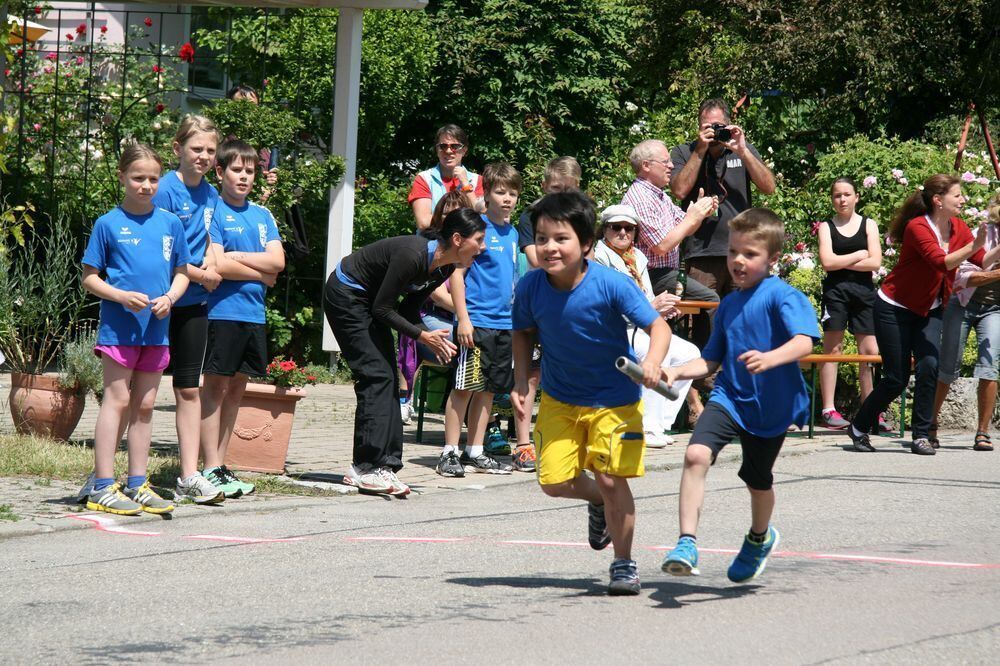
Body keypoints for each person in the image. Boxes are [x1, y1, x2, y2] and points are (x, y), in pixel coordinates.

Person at [511, 190, 671, 595]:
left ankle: (623, 563)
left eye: (560, 238)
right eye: (542, 238)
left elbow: (658, 327)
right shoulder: (530, 287)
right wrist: (520, 380)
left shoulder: (612, 284)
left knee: (613, 480)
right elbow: (523, 333)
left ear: (585, 244)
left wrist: (653, 363)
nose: (549, 247)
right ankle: (598, 500)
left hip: (615, 402)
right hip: (560, 399)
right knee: (553, 482)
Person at [660, 208, 819, 582]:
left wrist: (770, 357)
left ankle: (759, 538)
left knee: (757, 480)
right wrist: (676, 371)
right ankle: (686, 542)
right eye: (733, 252)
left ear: (773, 258)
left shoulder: (784, 296)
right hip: (729, 398)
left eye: (750, 253)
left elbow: (805, 341)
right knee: (695, 454)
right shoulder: (728, 305)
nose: (738, 261)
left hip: (771, 408)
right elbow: (710, 361)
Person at [846, 175, 996, 455]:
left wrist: (991, 246)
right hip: (894, 308)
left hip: (930, 308)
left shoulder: (959, 227)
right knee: (896, 378)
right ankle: (858, 427)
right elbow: (941, 262)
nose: (963, 200)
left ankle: (921, 435)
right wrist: (975, 245)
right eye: (957, 195)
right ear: (938, 200)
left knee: (930, 365)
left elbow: (982, 261)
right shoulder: (917, 227)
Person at [81, 143, 191, 515]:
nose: (146, 185)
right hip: (119, 330)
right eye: (138, 178)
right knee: (118, 400)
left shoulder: (171, 223)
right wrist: (121, 296)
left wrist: (171, 298)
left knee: (144, 405)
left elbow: (182, 273)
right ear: (122, 177)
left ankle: (137, 482)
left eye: (153, 179)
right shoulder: (107, 223)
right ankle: (102, 485)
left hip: (156, 331)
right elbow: (90, 278)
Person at [200, 139, 286, 497]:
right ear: (220, 172)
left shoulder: (262, 215)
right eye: (236, 169)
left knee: (237, 389)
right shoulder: (213, 211)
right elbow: (216, 264)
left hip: (253, 314)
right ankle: (208, 466)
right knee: (214, 389)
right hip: (221, 312)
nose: (244, 176)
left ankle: (221, 465)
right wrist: (262, 273)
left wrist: (238, 259)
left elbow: (278, 262)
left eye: (250, 171)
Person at [151, 115, 226, 505]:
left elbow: (209, 238)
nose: (204, 156)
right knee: (140, 391)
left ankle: (189, 475)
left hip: (194, 303)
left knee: (188, 388)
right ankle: (114, 474)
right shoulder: (164, 190)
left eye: (211, 150)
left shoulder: (211, 194)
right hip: (159, 302)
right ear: (178, 149)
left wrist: (211, 263)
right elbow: (159, 251)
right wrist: (200, 273)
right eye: (197, 149)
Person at [592, 204, 701, 447]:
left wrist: (662, 309)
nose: (623, 232)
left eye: (629, 228)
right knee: (659, 350)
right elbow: (607, 309)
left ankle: (661, 423)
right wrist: (653, 308)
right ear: (604, 230)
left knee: (690, 354)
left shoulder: (637, 257)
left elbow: (647, 300)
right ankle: (647, 427)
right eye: (616, 227)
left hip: (639, 328)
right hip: (616, 332)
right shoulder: (598, 257)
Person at [438, 163, 521, 478]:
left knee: (488, 390)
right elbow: (457, 276)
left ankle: (474, 451)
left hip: (504, 324)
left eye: (513, 193)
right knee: (465, 388)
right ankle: (449, 452)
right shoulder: (478, 228)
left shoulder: (513, 233)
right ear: (486, 194)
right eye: (500, 192)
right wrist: (463, 319)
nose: (507, 199)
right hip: (477, 322)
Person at [670, 99, 776, 345]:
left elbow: (769, 187)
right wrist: (700, 150)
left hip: (741, 252)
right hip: (702, 253)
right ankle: (704, 370)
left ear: (729, 125)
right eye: (707, 126)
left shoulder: (741, 148)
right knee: (705, 324)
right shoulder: (685, 151)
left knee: (742, 319)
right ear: (699, 126)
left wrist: (743, 151)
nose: (714, 131)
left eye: (718, 126)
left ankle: (739, 366)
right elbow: (679, 190)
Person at [815, 177, 885, 431]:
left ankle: (871, 410)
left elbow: (875, 262)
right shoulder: (826, 227)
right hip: (836, 293)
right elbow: (827, 262)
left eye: (847, 194)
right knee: (833, 348)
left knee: (869, 351)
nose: (842, 199)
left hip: (864, 293)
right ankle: (828, 409)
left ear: (857, 197)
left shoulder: (869, 224)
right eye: (837, 195)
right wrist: (857, 255)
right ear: (832, 199)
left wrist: (841, 260)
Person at [932, 193, 1000, 452]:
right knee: (948, 366)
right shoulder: (982, 234)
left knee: (989, 368)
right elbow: (964, 278)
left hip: (995, 310)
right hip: (962, 303)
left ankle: (982, 432)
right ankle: (930, 424)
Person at [621, 139, 718, 298]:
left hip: (667, 273)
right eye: (665, 162)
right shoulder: (640, 198)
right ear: (646, 165)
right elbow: (661, 246)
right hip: (652, 275)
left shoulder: (659, 195)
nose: (671, 166)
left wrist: (700, 213)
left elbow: (685, 228)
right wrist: (692, 218)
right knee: (711, 299)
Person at [408, 124, 485, 230]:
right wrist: (462, 223)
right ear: (437, 150)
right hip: (432, 239)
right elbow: (423, 222)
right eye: (443, 146)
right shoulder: (424, 179)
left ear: (464, 150)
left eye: (455, 146)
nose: (448, 151)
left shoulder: (477, 180)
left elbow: (482, 217)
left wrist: (466, 185)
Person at [518, 156, 582, 268]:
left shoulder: (581, 214)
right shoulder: (531, 215)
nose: (562, 194)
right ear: (544, 186)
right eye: (556, 188)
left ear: (577, 187)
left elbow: (589, 255)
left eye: (569, 189)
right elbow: (535, 261)